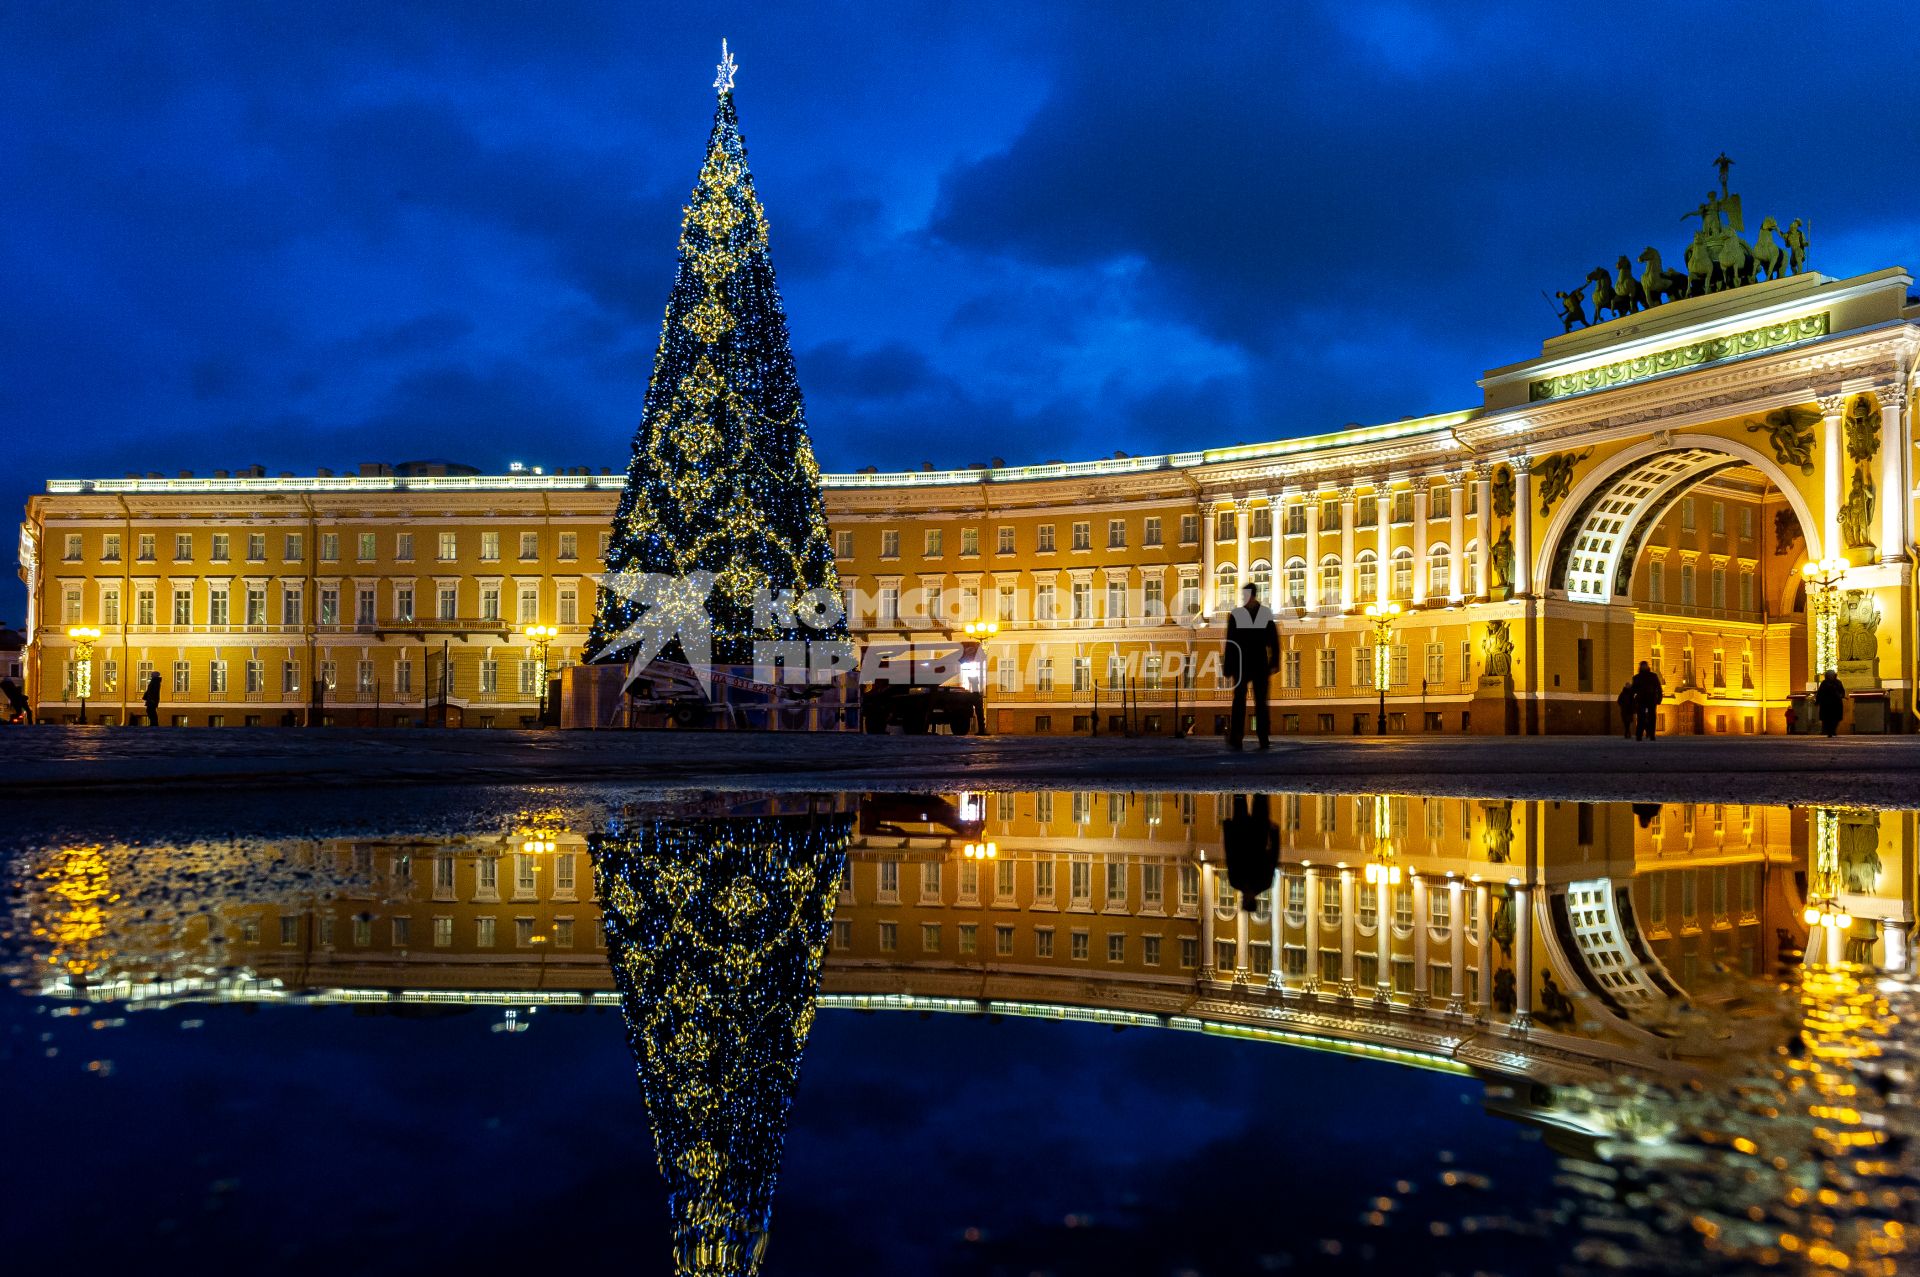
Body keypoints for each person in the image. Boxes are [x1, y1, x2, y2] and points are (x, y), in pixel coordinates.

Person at [1223, 583, 1280, 750]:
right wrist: (1274, 661)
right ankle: (1244, 738)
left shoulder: (1240, 614)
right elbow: (1231, 642)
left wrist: (1274, 661)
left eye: (1245, 595)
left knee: (1255, 702)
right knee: (1249, 701)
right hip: (1254, 663)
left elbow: (1232, 642)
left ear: (1252, 595)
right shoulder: (1262, 613)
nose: (1244, 598)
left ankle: (1257, 737)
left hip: (1248, 663)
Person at [1222, 794, 1279, 911]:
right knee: (1261, 796)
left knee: (1239, 796)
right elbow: (1273, 857)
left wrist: (1227, 830)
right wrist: (1274, 835)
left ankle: (1239, 777)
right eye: (1244, 900)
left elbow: (1229, 854)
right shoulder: (1264, 883)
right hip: (1258, 834)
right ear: (1251, 900)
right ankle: (1261, 777)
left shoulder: (1236, 882)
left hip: (1242, 832)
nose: (1242, 898)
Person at [1630, 660, 1664, 741]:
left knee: (1652, 717)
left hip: (1651, 699)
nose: (1644, 667)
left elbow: (1658, 688)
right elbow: (1633, 690)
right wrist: (1632, 700)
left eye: (1645, 665)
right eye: (1643, 666)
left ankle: (1652, 735)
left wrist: (1659, 699)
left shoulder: (1653, 676)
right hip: (1641, 699)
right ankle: (1639, 735)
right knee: (1641, 717)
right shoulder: (1637, 678)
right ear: (1641, 667)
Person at [1814, 669, 1846, 738]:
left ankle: (1832, 730)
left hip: (1835, 704)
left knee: (1835, 718)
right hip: (1827, 704)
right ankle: (1830, 731)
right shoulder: (1825, 683)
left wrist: (1841, 695)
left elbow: (1842, 691)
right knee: (1827, 719)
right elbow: (1820, 693)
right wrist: (1817, 701)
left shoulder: (1837, 683)